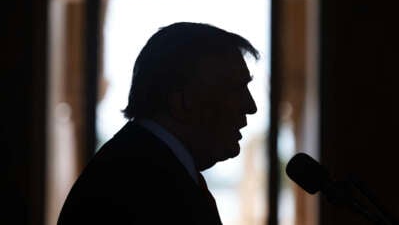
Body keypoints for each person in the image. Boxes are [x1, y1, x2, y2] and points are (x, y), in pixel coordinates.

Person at [58, 22, 259, 224]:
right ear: (183, 101)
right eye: (236, 89)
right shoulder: (142, 187)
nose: (251, 106)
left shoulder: (139, 170)